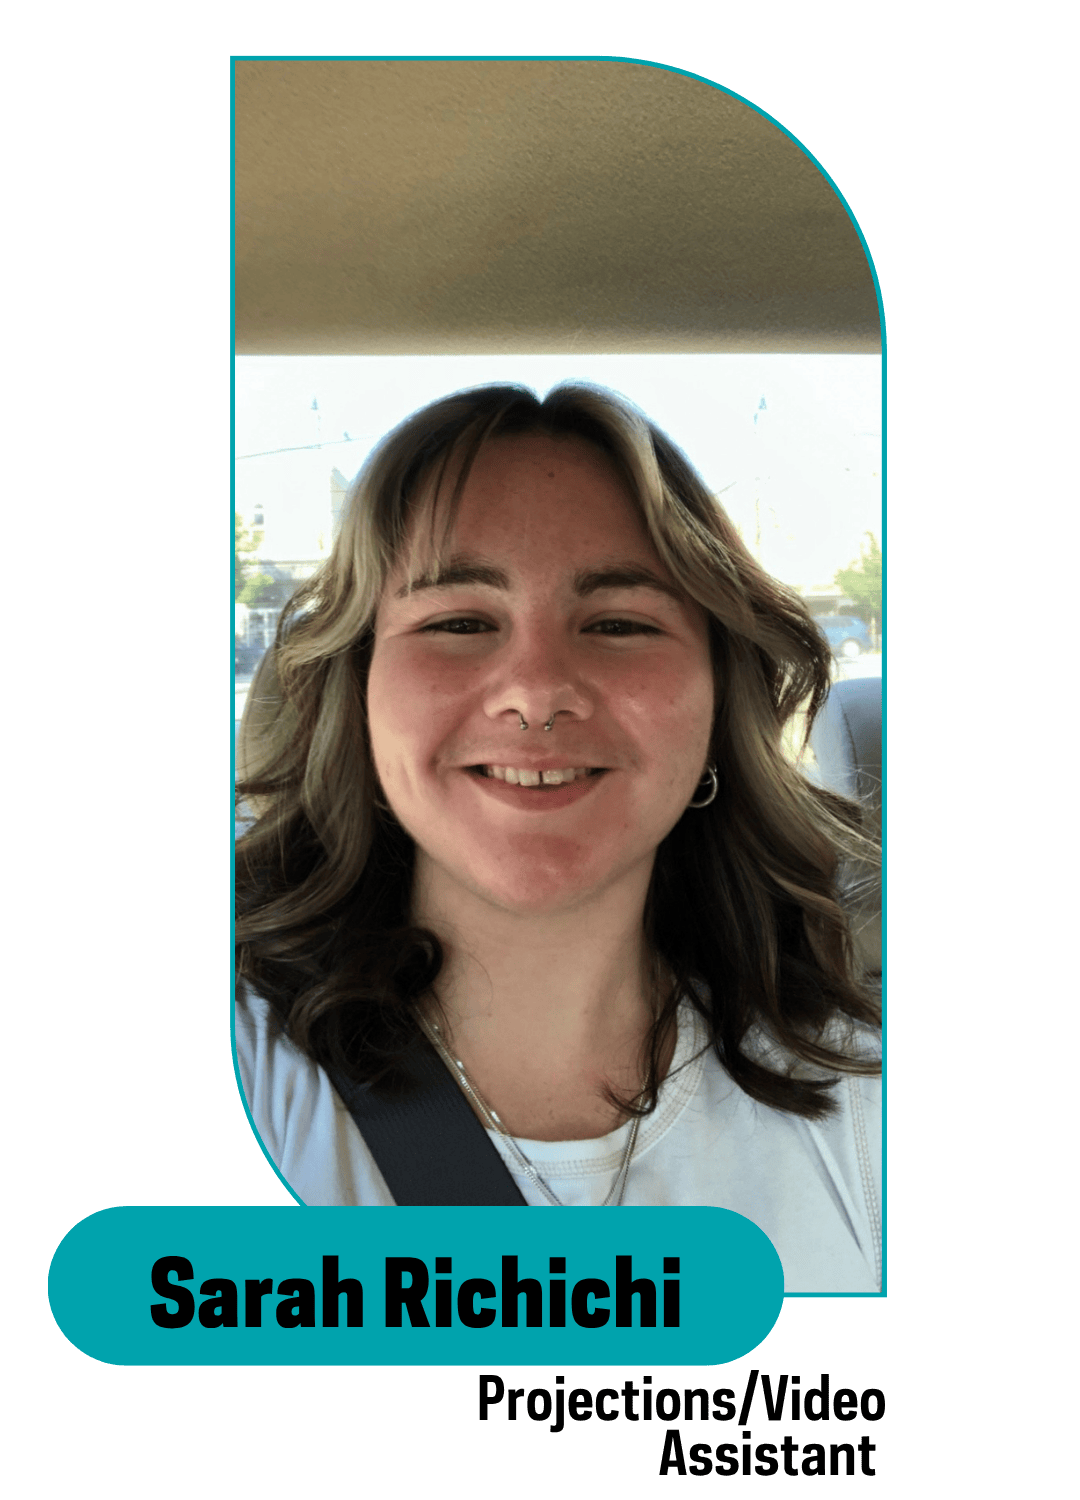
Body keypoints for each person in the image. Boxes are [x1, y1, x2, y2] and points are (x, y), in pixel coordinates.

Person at [235, 383, 881, 1293]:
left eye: (619, 624)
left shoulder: (864, 1103)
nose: (536, 692)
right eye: (459, 622)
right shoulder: (242, 1067)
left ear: (716, 704)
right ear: (361, 694)